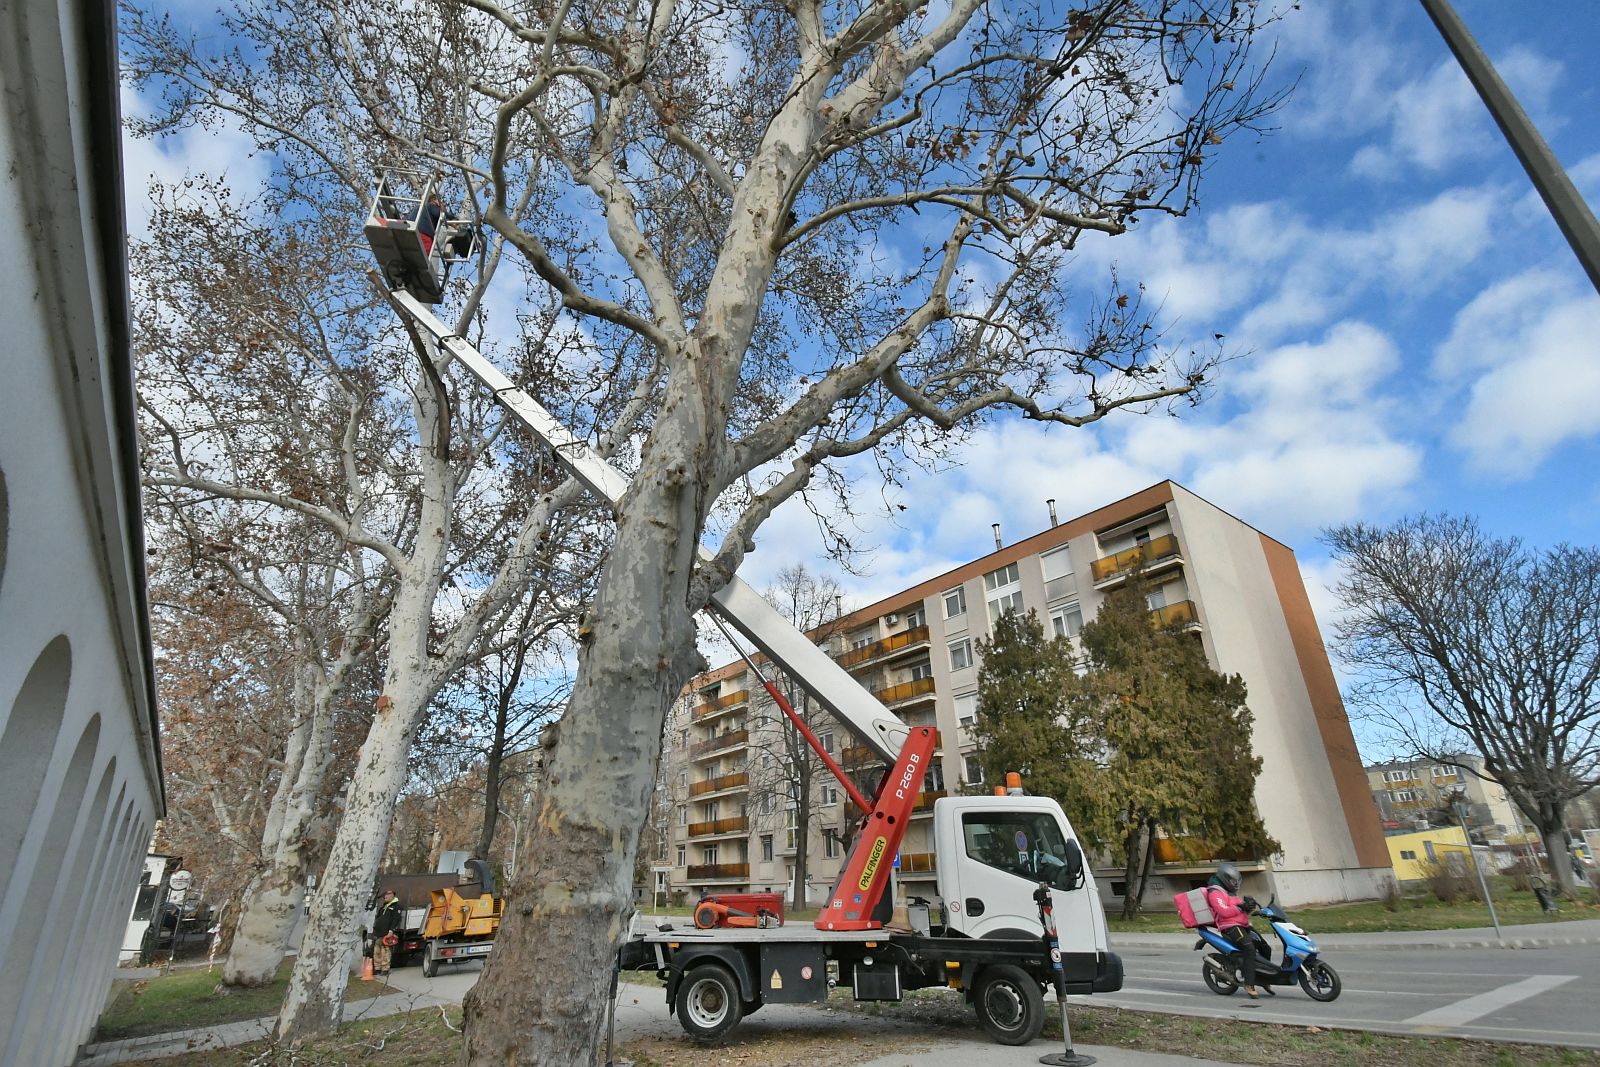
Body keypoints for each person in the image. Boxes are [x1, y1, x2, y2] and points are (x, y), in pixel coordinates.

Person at [1202, 861, 1266, 999]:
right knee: (1249, 949)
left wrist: (1248, 908)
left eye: (1236, 880)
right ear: (1224, 878)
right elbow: (1223, 911)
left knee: (1265, 947)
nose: (1235, 883)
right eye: (1232, 880)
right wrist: (1241, 907)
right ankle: (1249, 984)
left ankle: (1263, 977)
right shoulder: (1215, 892)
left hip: (1242, 925)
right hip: (1229, 927)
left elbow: (1239, 911)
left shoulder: (1231, 892)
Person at [371, 888, 403, 980]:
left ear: (392, 895)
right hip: (379, 933)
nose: (385, 896)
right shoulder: (384, 906)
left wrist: (391, 930)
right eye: (384, 895)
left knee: (386, 950)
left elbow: (396, 919)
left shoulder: (396, 906)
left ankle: (385, 969)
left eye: (387, 894)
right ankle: (377, 968)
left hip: (387, 933)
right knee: (377, 950)